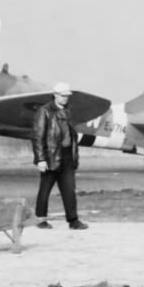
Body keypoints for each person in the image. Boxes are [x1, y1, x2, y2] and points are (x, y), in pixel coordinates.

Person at [31, 82, 88, 230]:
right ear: (55, 95)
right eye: (62, 96)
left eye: (67, 96)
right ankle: (40, 219)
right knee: (45, 190)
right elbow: (38, 136)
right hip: (51, 157)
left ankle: (73, 220)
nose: (65, 98)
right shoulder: (44, 111)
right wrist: (40, 159)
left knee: (69, 190)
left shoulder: (68, 111)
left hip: (67, 157)